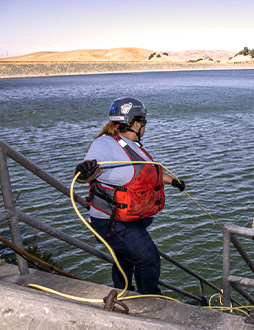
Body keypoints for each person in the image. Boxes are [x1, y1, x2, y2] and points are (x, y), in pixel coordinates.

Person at [74, 96, 185, 294]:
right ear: (135, 123)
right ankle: (148, 300)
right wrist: (85, 170)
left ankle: (123, 291)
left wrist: (172, 181)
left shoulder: (131, 144)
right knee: (148, 258)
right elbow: (89, 171)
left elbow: (148, 174)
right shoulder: (105, 144)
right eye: (144, 122)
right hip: (114, 221)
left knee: (125, 257)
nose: (145, 126)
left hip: (131, 216)